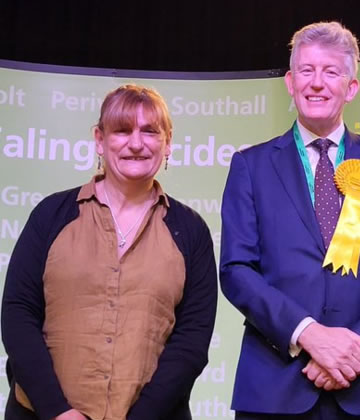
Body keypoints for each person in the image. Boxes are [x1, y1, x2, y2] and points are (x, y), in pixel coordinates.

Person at [220, 21, 360, 419]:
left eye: (330, 72)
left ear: (351, 87)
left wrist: (358, 347)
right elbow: (236, 269)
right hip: (274, 389)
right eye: (306, 70)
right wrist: (309, 335)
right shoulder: (250, 166)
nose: (316, 83)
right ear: (290, 82)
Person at [1, 84, 217, 420]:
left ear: (168, 143)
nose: (135, 143)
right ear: (100, 140)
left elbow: (192, 341)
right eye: (122, 130)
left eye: (149, 131)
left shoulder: (191, 231)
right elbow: (18, 314)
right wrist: (57, 411)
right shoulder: (51, 215)